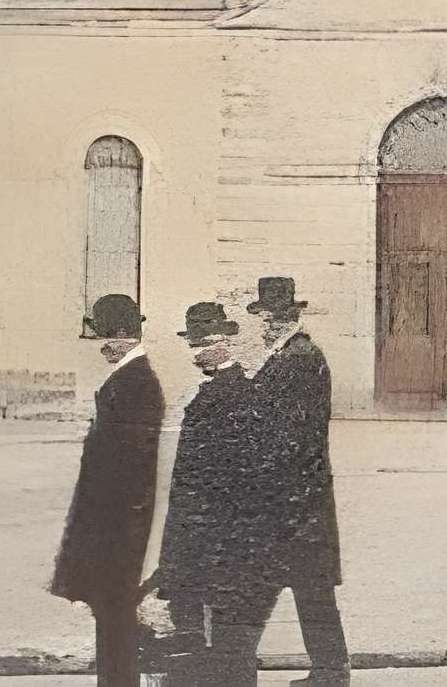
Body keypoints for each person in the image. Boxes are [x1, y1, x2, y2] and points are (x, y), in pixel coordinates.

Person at [216, 275, 349, 685]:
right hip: (300, 500)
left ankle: (322, 673)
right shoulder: (287, 355)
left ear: (292, 317)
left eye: (278, 316)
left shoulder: (299, 359)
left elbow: (287, 432)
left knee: (283, 589)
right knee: (310, 590)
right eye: (266, 315)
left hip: (294, 500)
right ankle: (329, 672)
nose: (270, 322)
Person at [51, 293, 165, 687]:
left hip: (118, 529)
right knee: (109, 613)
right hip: (112, 524)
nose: (100, 346)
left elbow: (133, 470)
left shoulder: (136, 382)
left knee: (115, 615)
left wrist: (117, 533)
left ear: (121, 335)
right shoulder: (127, 378)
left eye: (104, 337)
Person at [155, 301, 259, 685]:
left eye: (207, 343)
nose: (199, 352)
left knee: (224, 622)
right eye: (194, 345)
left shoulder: (238, 393)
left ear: (225, 343)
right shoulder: (210, 389)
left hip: (217, 529)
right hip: (199, 524)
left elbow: (240, 470)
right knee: (200, 616)